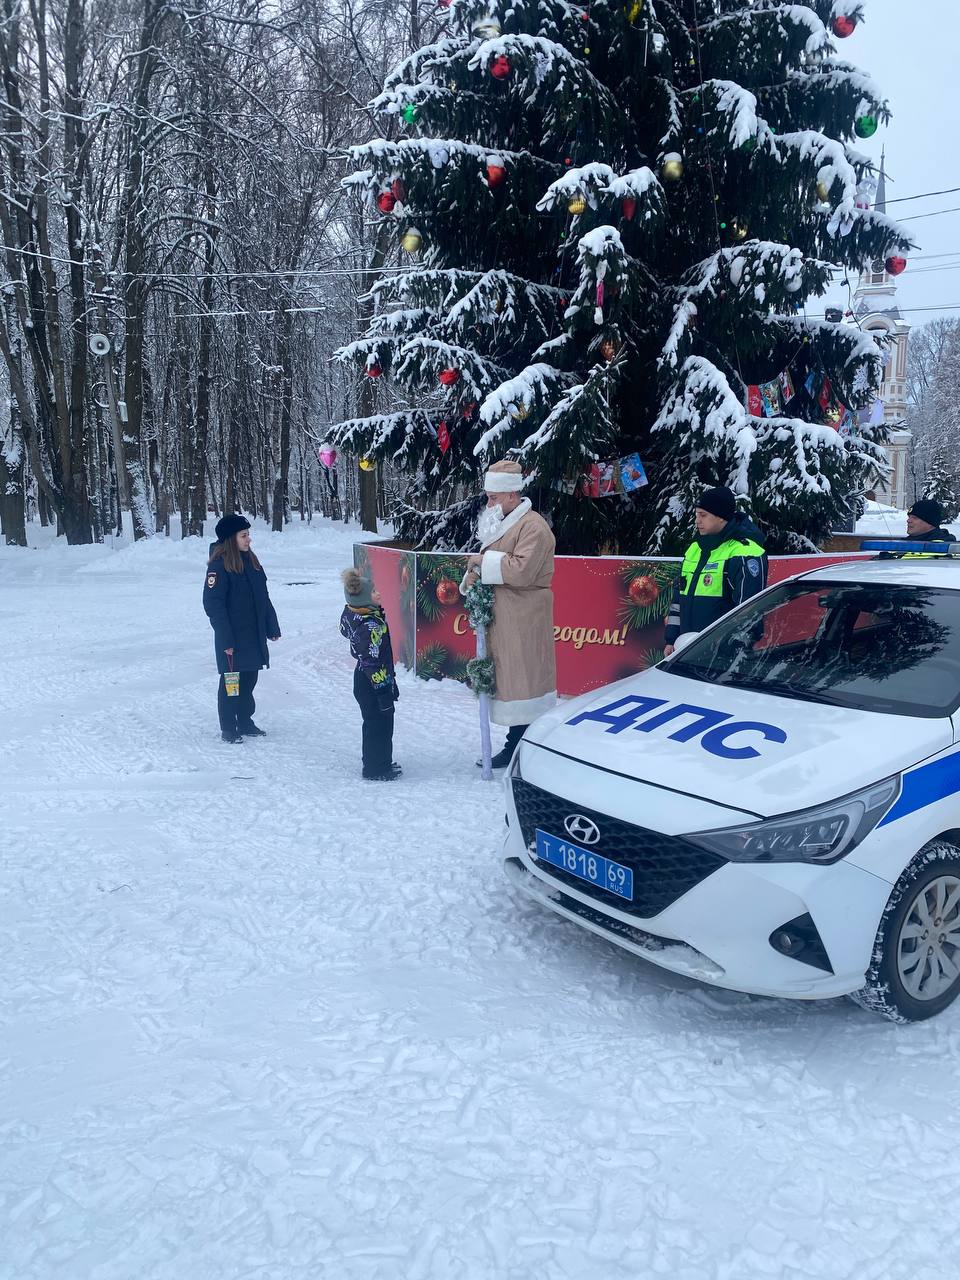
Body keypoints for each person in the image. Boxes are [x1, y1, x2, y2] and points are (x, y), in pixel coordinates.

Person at [462, 460, 557, 769]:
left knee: (524, 682)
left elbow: (521, 569)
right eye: (488, 497)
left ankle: (522, 746)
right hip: (505, 615)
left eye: (495, 498)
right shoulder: (504, 522)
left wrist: (483, 562)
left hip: (524, 616)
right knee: (513, 681)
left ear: (513, 494)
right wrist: (475, 572)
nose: (489, 504)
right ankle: (518, 744)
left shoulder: (533, 527)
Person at [202, 514, 281, 743]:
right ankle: (229, 726)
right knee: (232, 683)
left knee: (249, 680)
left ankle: (245, 720)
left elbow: (263, 597)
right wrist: (225, 639)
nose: (249, 540)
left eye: (248, 535)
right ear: (230, 539)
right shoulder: (219, 566)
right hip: (232, 638)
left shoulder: (252, 562)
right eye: (244, 536)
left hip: (252, 635)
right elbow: (213, 605)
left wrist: (271, 625)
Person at [664, 486, 767, 656]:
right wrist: (671, 640)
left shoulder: (745, 552)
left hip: (723, 656)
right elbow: (678, 600)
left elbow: (749, 611)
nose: (697, 521)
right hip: (685, 651)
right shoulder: (694, 549)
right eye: (696, 514)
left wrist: (731, 650)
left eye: (703, 515)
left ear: (721, 517)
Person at [339, 568, 401, 781]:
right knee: (379, 724)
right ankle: (376, 768)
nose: (378, 593)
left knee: (376, 722)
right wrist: (383, 690)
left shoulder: (357, 615)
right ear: (364, 598)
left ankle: (380, 761)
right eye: (373, 591)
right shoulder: (370, 625)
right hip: (372, 682)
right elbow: (372, 663)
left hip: (366, 679)